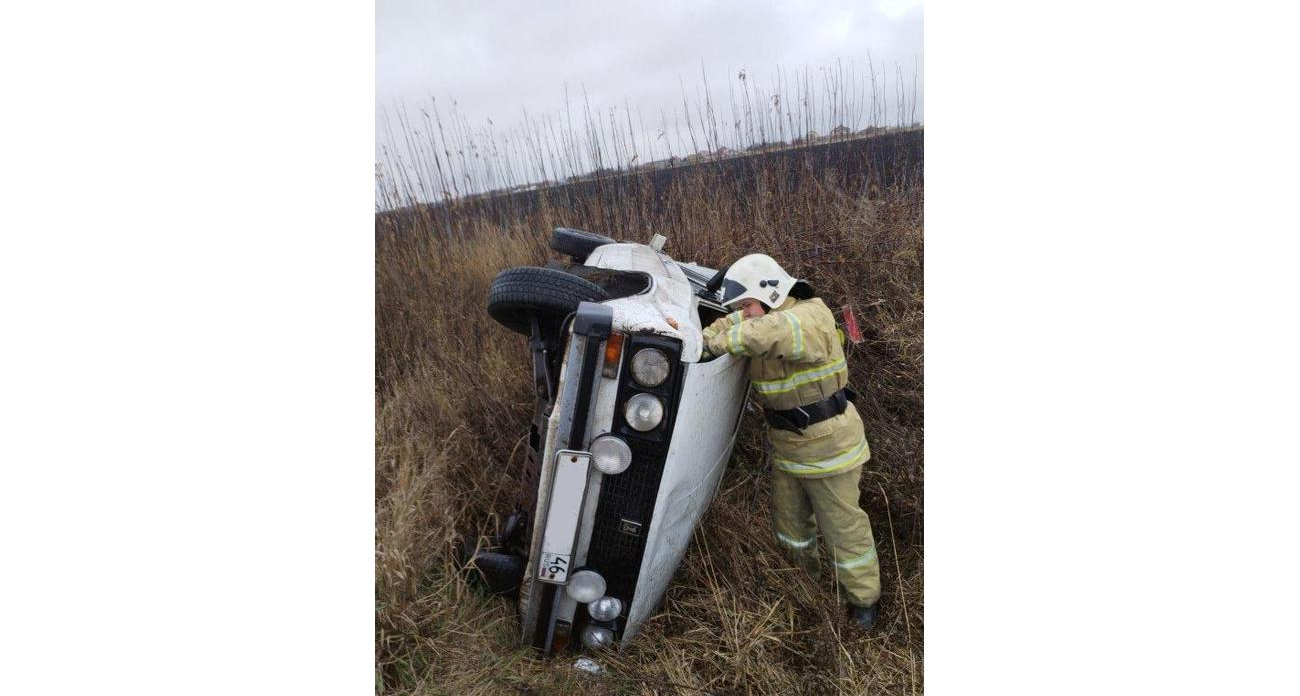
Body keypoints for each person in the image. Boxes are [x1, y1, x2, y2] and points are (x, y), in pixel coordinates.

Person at [702, 253, 882, 629]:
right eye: (742, 307)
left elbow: (769, 332)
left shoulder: (810, 315)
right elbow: (734, 323)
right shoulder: (760, 316)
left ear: (771, 293)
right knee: (791, 529)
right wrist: (700, 339)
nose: (744, 313)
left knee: (843, 530)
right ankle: (805, 590)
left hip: (831, 447)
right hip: (789, 447)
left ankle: (863, 602)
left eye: (747, 304)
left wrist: (718, 345)